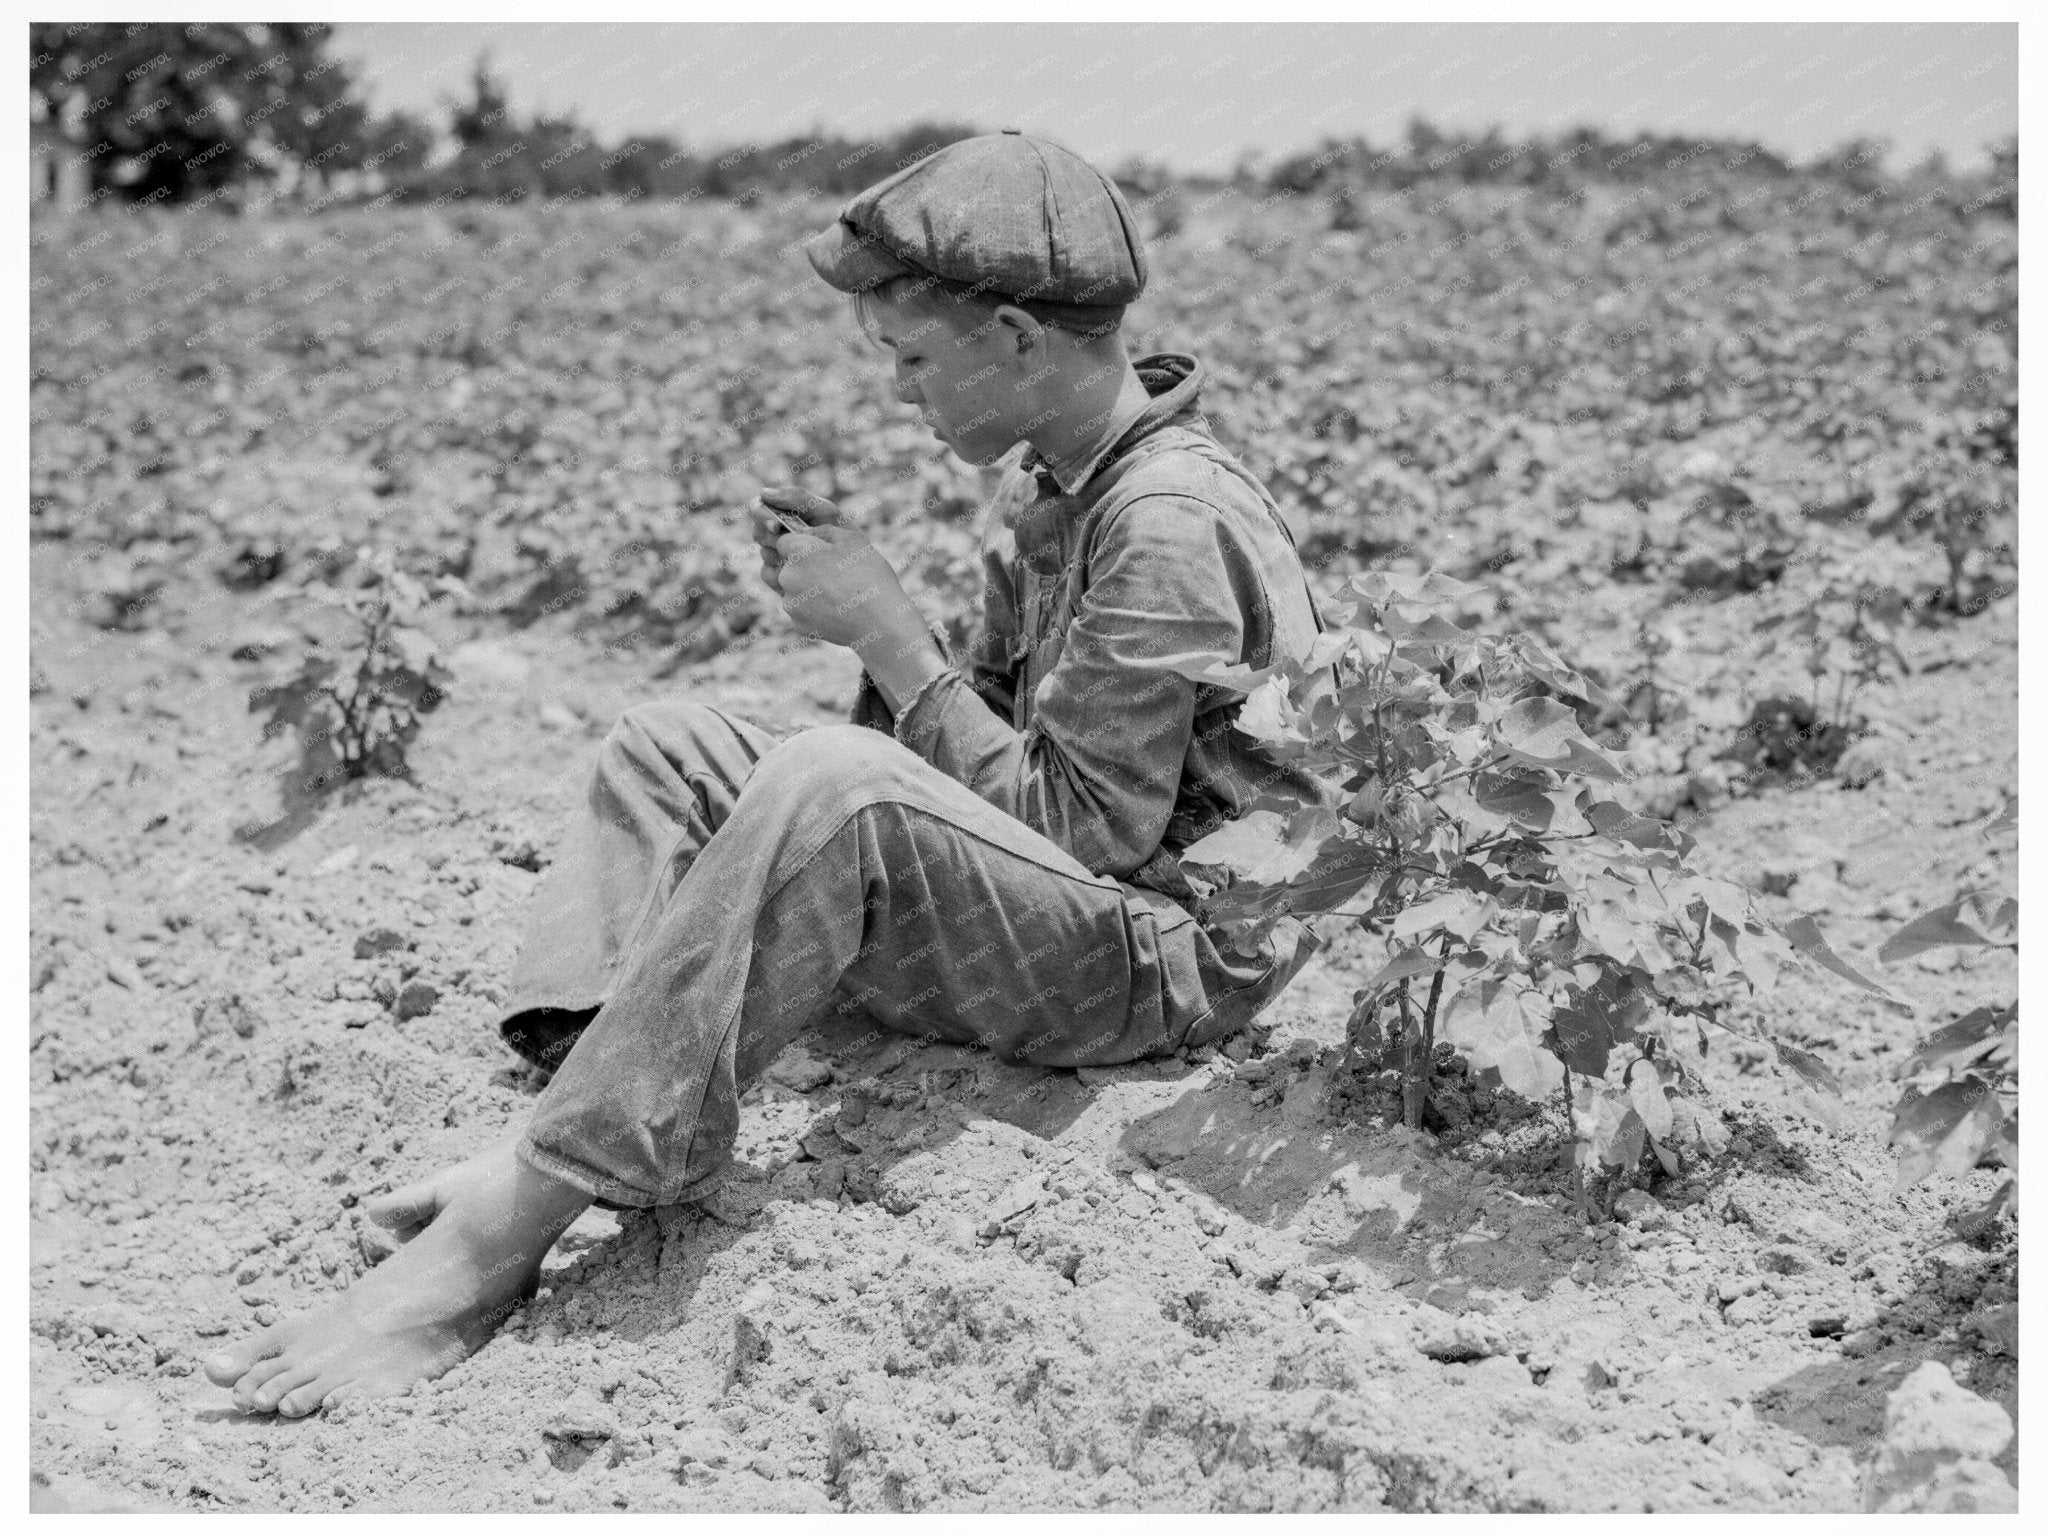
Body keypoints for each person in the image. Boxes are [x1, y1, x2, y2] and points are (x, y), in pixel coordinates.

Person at [203, 129, 1339, 1418]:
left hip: (1171, 959)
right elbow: (989, 765)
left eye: (914, 358)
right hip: (1088, 914)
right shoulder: (1060, 490)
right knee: (665, 751)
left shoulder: (1169, 520)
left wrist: (888, 638)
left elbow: (1086, 836)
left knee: (829, 779)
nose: (901, 391)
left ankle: (496, 1243)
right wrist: (887, 646)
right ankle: (576, 1108)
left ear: (1021, 340)